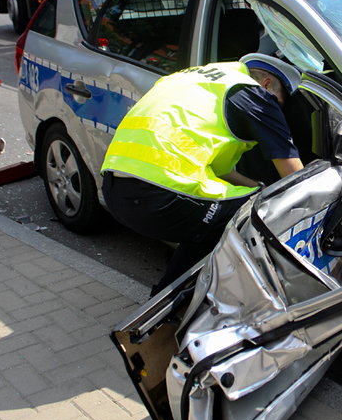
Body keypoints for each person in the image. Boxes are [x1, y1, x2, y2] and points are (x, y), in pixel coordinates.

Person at [101, 53, 304, 292]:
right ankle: (173, 312)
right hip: (160, 195)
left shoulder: (192, 78)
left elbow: (220, 170)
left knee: (214, 226)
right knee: (257, 213)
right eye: (281, 102)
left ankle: (165, 310)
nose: (278, 110)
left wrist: (257, 188)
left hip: (114, 188)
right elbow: (294, 177)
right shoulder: (254, 93)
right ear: (267, 83)